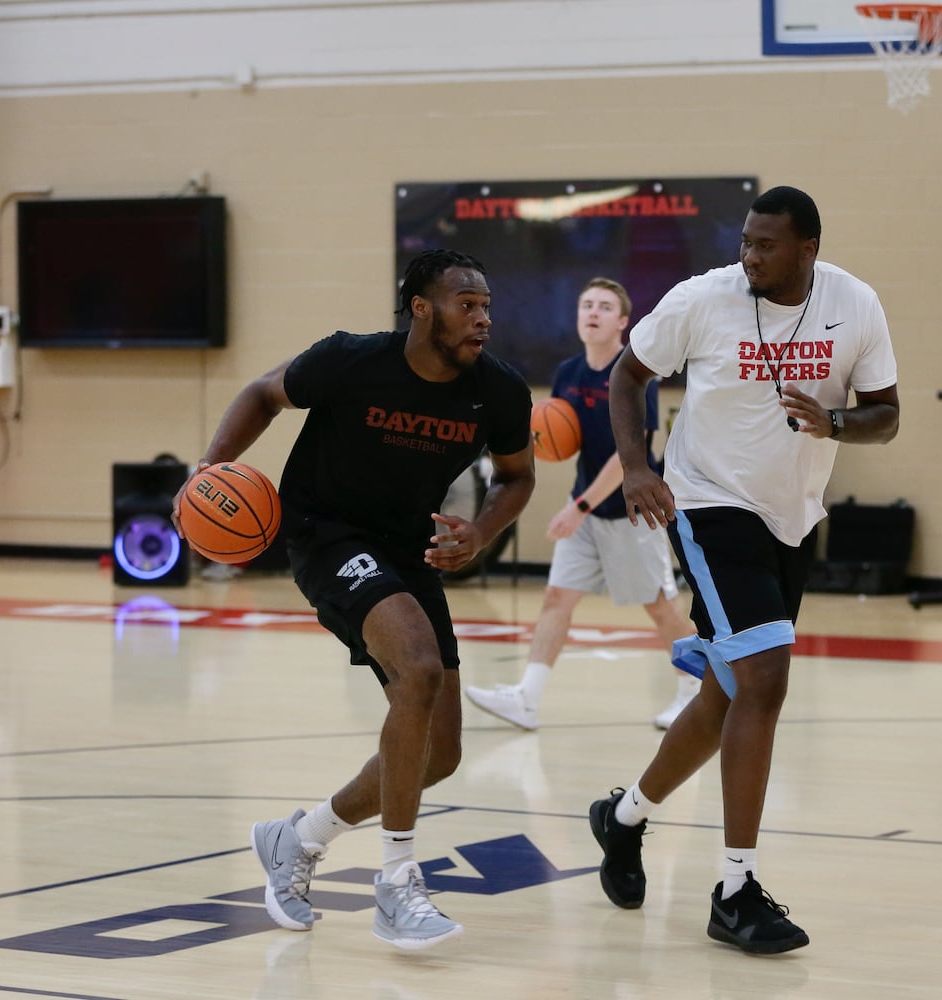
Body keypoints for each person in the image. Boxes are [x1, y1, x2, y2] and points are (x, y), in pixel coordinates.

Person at [179, 249, 535, 950]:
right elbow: (260, 393)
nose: (484, 319)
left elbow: (517, 477)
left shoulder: (496, 390)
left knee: (440, 755)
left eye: (487, 305)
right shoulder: (348, 360)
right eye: (468, 305)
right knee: (419, 672)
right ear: (422, 309)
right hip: (324, 534)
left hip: (408, 549)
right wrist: (207, 472)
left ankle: (297, 838)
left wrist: (482, 533)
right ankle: (396, 886)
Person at [587, 186, 900, 954]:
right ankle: (734, 889)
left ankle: (622, 817)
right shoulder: (703, 300)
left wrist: (839, 423)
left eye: (765, 245)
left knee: (724, 697)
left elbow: (886, 413)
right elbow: (628, 377)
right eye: (745, 241)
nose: (748, 255)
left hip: (792, 514)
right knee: (763, 679)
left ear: (807, 251)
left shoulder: (854, 304)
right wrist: (635, 466)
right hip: (705, 502)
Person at [463, 277, 698, 732]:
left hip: (632, 509)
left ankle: (693, 692)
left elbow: (625, 459)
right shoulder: (569, 372)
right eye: (586, 304)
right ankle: (527, 699)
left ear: (623, 322)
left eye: (605, 306)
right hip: (586, 506)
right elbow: (558, 432)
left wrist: (578, 508)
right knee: (556, 599)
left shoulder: (636, 373)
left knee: (659, 608)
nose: (592, 312)